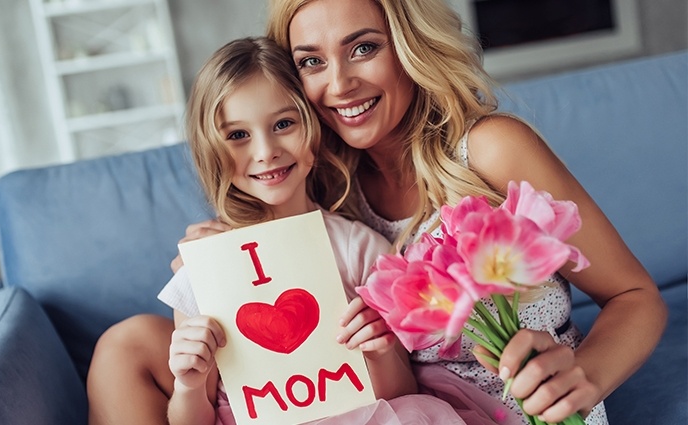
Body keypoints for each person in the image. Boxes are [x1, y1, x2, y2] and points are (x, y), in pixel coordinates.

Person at [175, 0, 668, 423]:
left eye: (363, 48)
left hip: (532, 411)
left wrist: (586, 375)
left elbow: (634, 295)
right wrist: (219, 252)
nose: (341, 83)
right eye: (311, 62)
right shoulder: (327, 185)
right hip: (397, 410)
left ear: (408, 47)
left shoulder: (488, 150)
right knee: (130, 342)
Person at [87, 36, 513, 425]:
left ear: (315, 128)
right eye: (237, 134)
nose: (266, 152)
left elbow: (400, 392)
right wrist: (187, 383)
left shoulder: (360, 246)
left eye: (283, 124)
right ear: (212, 152)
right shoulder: (206, 263)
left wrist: (378, 350)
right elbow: (192, 419)